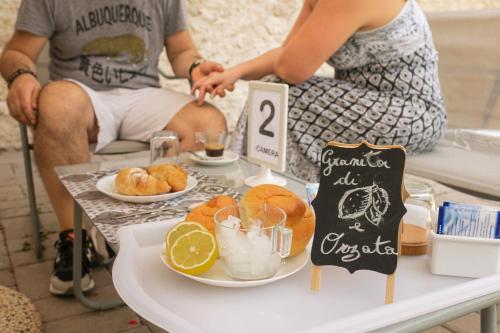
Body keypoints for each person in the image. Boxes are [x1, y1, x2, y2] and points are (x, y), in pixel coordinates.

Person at [0, 0, 227, 295]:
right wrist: (21, 76)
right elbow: (18, 52)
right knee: (54, 105)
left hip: (143, 94)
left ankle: (171, 227)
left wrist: (196, 67)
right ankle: (75, 238)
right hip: (80, 92)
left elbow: (181, 51)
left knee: (207, 122)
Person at [193, 0, 447, 182]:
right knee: (275, 88)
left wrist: (248, 72)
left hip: (412, 115)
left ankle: (288, 193)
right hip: (371, 105)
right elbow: (287, 56)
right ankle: (263, 188)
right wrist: (234, 73)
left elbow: (292, 68)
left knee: (288, 98)